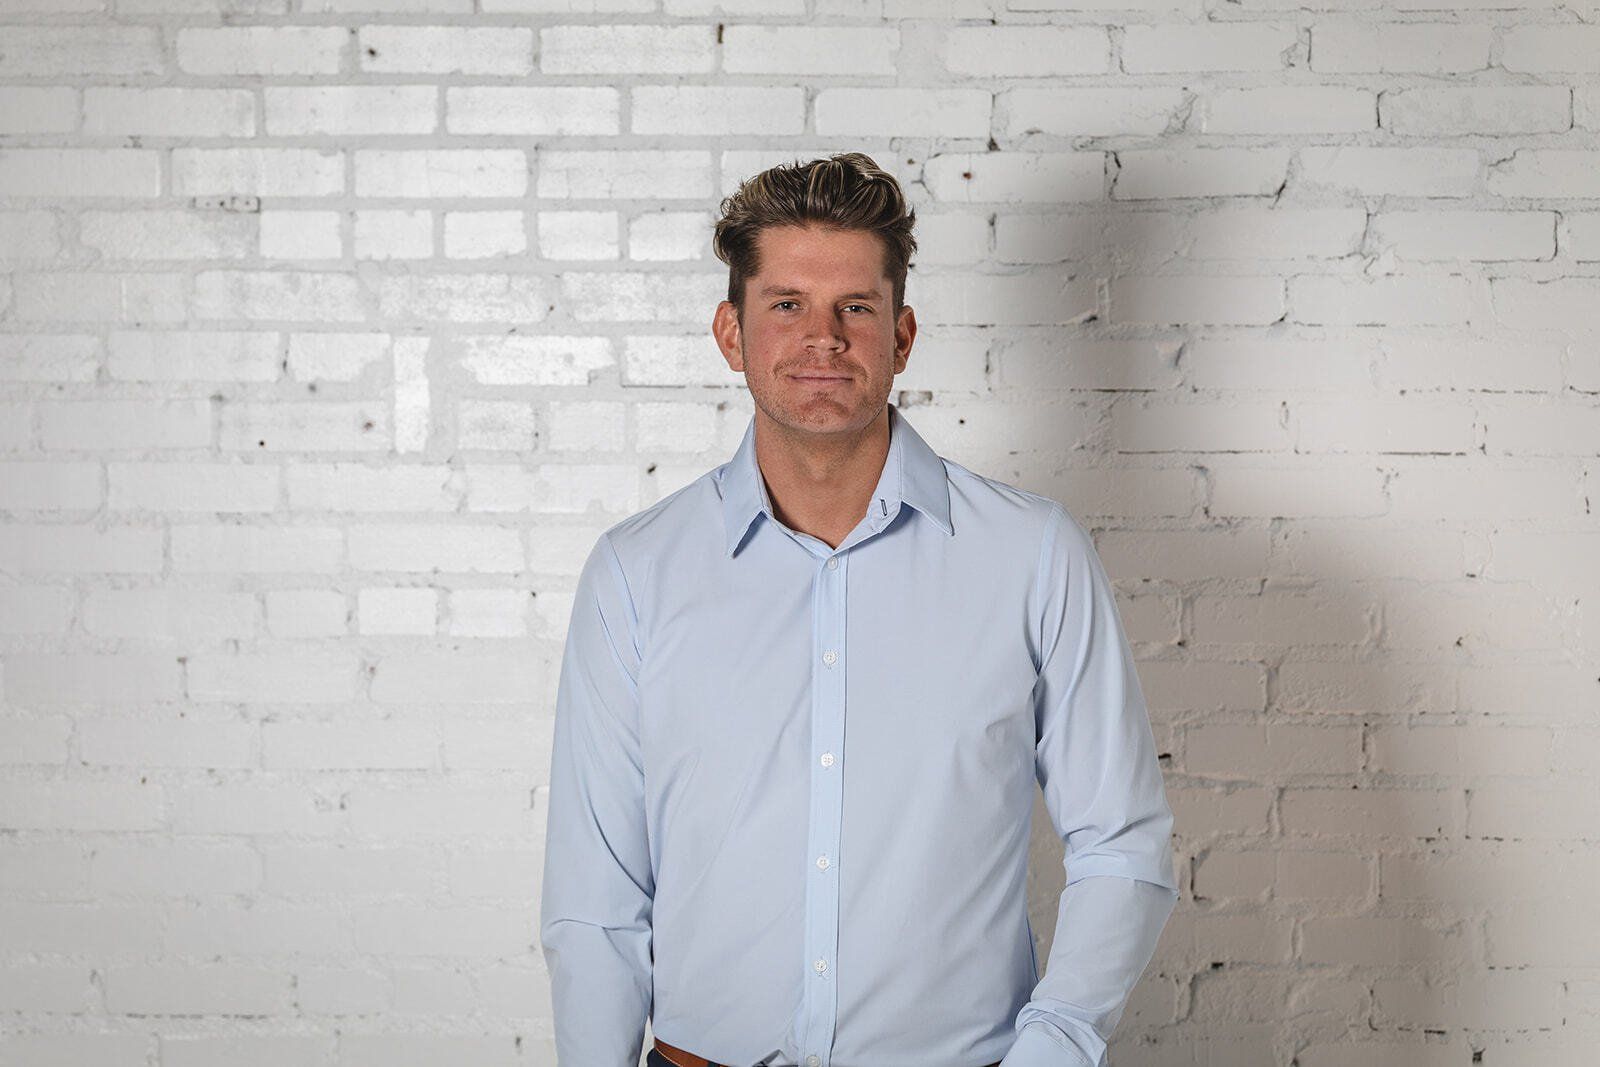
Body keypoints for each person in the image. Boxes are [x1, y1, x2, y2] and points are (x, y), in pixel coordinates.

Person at [539, 152, 1179, 1067]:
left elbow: (1121, 843)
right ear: (731, 331)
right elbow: (595, 898)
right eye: (787, 304)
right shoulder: (636, 575)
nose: (823, 338)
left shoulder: (1032, 556)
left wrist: (1050, 1052)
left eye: (856, 308)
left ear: (902, 335)